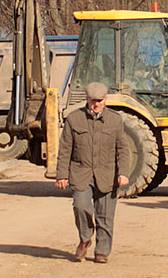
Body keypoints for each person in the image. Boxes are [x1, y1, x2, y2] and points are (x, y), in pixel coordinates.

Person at [54, 82, 130, 263]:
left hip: (107, 174)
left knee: (105, 216)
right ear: (86, 99)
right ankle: (85, 238)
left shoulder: (115, 119)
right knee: (80, 206)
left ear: (105, 100)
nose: (96, 104)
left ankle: (102, 251)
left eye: (100, 100)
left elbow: (123, 148)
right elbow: (65, 149)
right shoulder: (74, 119)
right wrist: (62, 175)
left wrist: (123, 172)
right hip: (82, 173)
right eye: (93, 100)